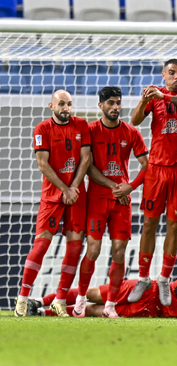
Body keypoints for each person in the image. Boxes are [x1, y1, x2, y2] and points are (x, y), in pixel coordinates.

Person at [128, 59, 177, 307]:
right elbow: (135, 120)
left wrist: (164, 96)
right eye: (172, 73)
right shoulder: (154, 96)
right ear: (163, 75)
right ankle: (144, 277)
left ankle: (165, 278)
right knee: (149, 224)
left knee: (174, 226)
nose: (176, 77)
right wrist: (144, 100)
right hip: (157, 170)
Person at [73, 86, 149, 318]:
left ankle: (110, 306)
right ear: (101, 106)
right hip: (97, 199)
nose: (116, 107)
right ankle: (80, 299)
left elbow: (148, 165)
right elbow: (87, 167)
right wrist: (114, 187)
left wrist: (130, 186)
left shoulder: (131, 132)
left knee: (119, 251)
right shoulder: (90, 130)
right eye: (111, 103)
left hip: (122, 202)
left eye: (118, 103)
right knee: (93, 250)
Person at [15, 90, 91, 317]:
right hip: (52, 196)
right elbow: (43, 164)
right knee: (41, 245)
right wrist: (64, 189)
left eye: (69, 104)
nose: (66, 108)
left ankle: (59, 300)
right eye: (61, 104)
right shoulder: (42, 129)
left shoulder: (82, 125)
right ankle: (22, 298)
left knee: (75, 246)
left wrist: (73, 188)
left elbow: (86, 158)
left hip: (76, 195)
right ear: (51, 106)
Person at [27, 268, 177, 319]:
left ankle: (38, 302)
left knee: (89, 294)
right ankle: (42, 313)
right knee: (95, 311)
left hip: (149, 289)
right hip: (151, 311)